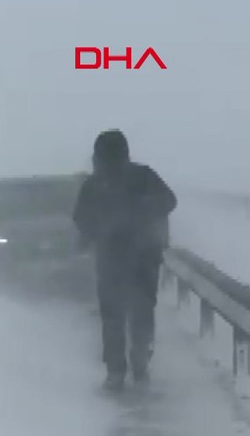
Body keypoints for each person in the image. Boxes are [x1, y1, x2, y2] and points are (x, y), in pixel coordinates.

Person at [72, 129, 178, 391]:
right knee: (140, 314)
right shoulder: (142, 176)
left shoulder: (96, 184)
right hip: (143, 259)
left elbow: (80, 218)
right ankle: (139, 366)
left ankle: (117, 371)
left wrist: (97, 231)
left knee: (113, 317)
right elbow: (169, 201)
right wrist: (143, 211)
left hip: (115, 260)